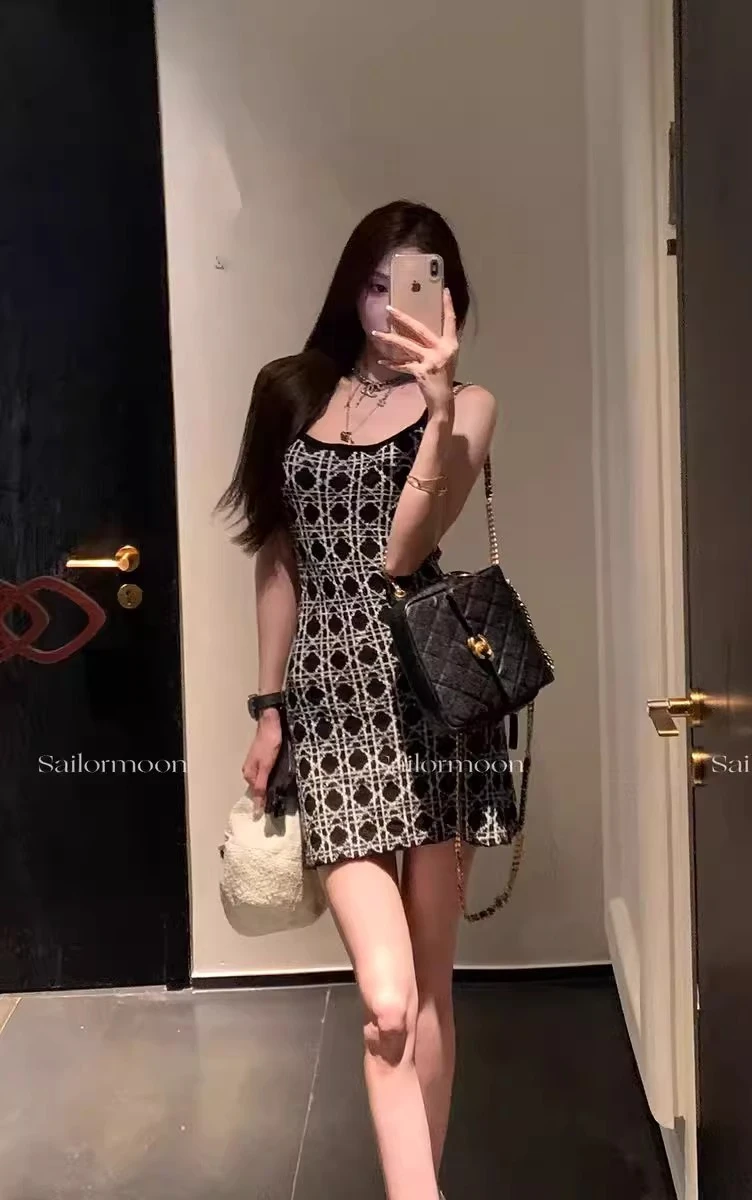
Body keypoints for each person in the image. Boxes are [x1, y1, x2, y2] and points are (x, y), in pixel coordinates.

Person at [216, 199, 521, 1200]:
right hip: (331, 714)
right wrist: (269, 707)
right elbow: (277, 559)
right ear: (352, 289)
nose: (394, 306)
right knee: (385, 1002)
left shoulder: (469, 407)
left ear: (451, 299)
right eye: (377, 284)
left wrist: (436, 410)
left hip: (434, 704)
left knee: (428, 988)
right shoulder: (290, 392)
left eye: (417, 285)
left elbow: (400, 552)